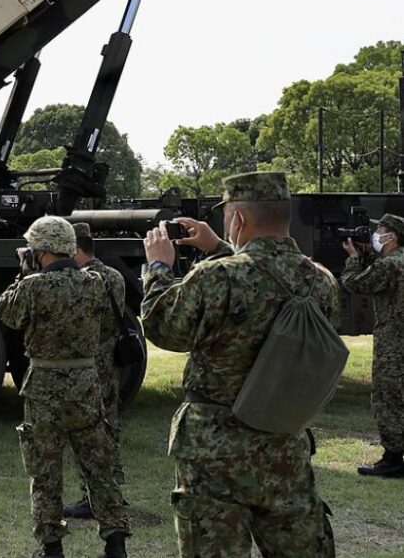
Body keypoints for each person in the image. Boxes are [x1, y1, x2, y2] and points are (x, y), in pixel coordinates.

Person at [142, 171, 337, 557]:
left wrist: (160, 269)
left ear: (239, 220)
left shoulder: (217, 278)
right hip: (285, 444)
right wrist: (218, 247)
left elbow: (165, 329)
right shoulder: (322, 280)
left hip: (216, 452)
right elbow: (263, 282)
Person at [0, 216, 129, 558]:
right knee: (99, 468)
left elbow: (6, 313)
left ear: (41, 250)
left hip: (44, 386)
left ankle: (51, 547)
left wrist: (23, 274)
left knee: (45, 472)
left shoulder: (34, 287)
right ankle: (115, 543)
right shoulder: (96, 283)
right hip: (86, 384)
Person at [63, 223, 126, 520]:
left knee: (87, 435)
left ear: (76, 250)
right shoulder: (115, 276)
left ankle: (92, 498)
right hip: (110, 361)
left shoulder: (81, 280)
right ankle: (114, 492)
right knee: (110, 427)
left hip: (86, 366)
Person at [340, 213, 404, 476]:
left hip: (394, 341)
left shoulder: (390, 265)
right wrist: (366, 256)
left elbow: (355, 282)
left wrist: (354, 258)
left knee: (388, 397)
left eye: (380, 229)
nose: (375, 234)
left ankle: (393, 459)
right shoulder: (395, 262)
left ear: (391, 236)